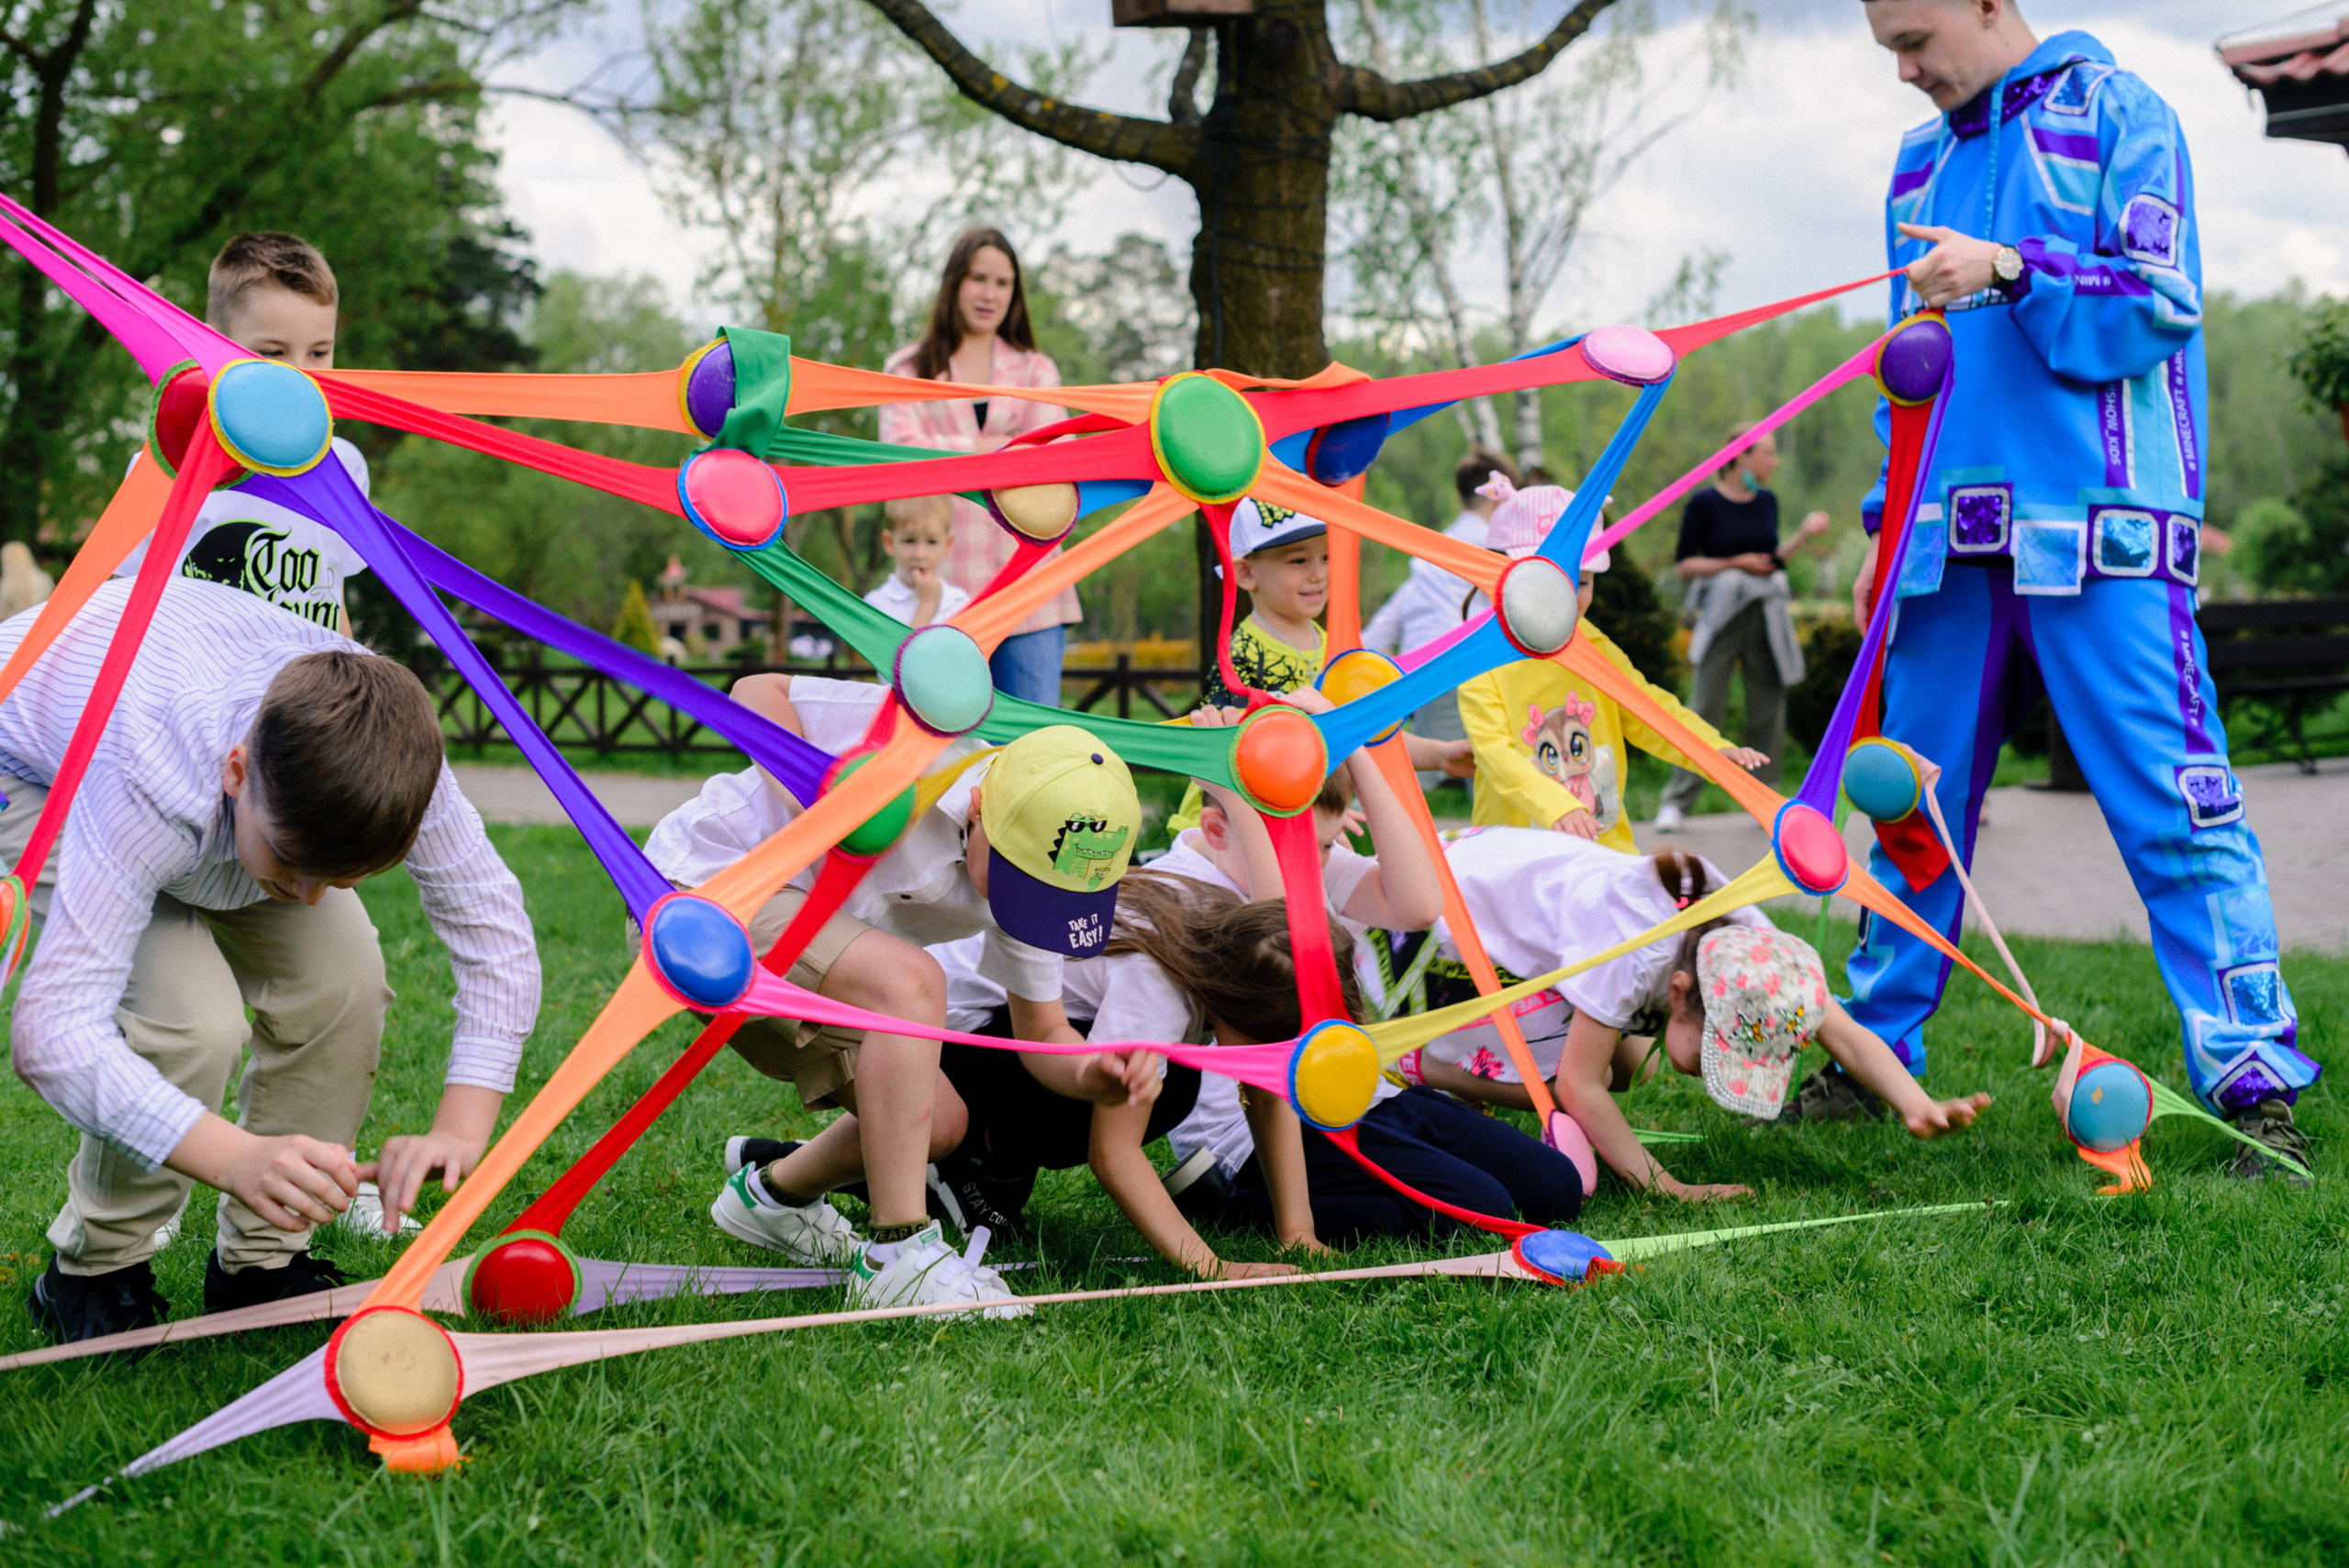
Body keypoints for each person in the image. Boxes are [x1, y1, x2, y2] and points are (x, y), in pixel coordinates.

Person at [1847, 1, 2313, 1177]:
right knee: (1910, 809)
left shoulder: (2123, 112)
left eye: (1914, 39)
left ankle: (2251, 1077)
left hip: (2101, 528)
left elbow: (2160, 301)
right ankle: (1870, 1063)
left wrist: (2007, 267)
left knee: (2174, 798)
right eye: (1886, 48)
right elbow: (1905, 361)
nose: (1903, 72)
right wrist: (1880, 520)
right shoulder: (1917, 159)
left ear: (1990, 2)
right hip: (1943, 535)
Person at [10, 580, 540, 1343]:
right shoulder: (150, 771)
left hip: (216, 797)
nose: (309, 896)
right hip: (36, 773)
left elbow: (494, 929)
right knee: (188, 1021)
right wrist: (234, 1157)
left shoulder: (389, 755)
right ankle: (95, 1271)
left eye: (344, 877)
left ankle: (260, 1268)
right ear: (237, 770)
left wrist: (459, 1132)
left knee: (345, 978)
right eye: (296, 865)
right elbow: (52, 1036)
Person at [643, 673, 1141, 1312]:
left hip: (801, 943)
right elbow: (757, 687)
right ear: (982, 805)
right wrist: (809, 800)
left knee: (938, 1123)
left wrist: (1093, 1070)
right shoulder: (922, 741)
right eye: (1023, 878)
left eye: (1054, 894)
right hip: (704, 891)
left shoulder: (1040, 884)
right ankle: (899, 1254)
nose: (1031, 905)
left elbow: (1044, 1032)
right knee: (912, 981)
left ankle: (770, 1199)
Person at [1152, 712, 1586, 1240]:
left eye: (1328, 845)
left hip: (1357, 1094)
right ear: (1219, 828)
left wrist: (1353, 744)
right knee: (1476, 1211)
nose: (1315, 864)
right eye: (1301, 846)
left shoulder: (1305, 858)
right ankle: (1230, 1203)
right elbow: (1281, 932)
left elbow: (1420, 905)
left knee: (1554, 1188)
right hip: (1254, 1140)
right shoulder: (1179, 894)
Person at [1398, 829, 1990, 1201]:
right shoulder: (1630, 953)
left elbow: (1848, 1036)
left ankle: (1468, 1055)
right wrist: (1668, 1186)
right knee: (1583, 1079)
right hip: (1438, 914)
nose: (1717, 1073)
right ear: (1678, 992)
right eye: (1721, 1049)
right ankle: (1427, 1064)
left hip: (1488, 880)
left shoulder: (1756, 952)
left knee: (1635, 1069)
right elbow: (1580, 1087)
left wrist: (1917, 1102)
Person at [914, 878, 1330, 1280]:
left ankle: (978, 1157)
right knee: (1160, 1087)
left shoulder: (1231, 942)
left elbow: (1265, 1093)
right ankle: (978, 1157)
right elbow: (1114, 1152)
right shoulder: (1159, 988)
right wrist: (1209, 1267)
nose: (1282, 1060)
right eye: (1279, 1044)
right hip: (944, 1036)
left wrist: (1298, 1234)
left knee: (1169, 1082)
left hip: (1001, 1025)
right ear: (1241, 1007)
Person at [1456, 475, 1766, 853]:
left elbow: (1648, 709)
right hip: (1517, 860)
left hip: (1602, 852)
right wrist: (1557, 806)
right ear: (1502, 574)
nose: (1568, 595)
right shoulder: (1480, 660)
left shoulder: (1595, 647)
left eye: (1583, 581)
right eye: (1552, 580)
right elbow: (1494, 754)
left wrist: (1710, 751)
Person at [116, 233, 370, 636]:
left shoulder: (344, 466)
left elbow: (334, 598)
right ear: (211, 343)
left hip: (305, 697)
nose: (301, 373)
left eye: (319, 352)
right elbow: (126, 607)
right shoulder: (163, 468)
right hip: (199, 694)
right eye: (273, 352)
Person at [1169, 498, 1470, 835]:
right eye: (1298, 561)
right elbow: (1239, 755)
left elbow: (1366, 734)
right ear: (1246, 572)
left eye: (1326, 557)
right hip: (1225, 829)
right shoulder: (1242, 658)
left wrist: (1443, 754)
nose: (1318, 574)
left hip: (1303, 821)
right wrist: (1322, 810)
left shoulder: (1335, 652)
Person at [879, 228, 1074, 705]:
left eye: (1003, 283)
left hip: (1029, 591)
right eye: (978, 278)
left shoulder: (1036, 371)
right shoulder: (907, 370)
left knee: (1033, 745)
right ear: (954, 283)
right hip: (939, 592)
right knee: (946, 744)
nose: (990, 294)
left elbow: (1055, 461)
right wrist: (1002, 448)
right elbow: (903, 456)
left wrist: (956, 453)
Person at [1653, 424, 1832, 831]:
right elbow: (1685, 565)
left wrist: (1802, 535)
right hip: (1721, 615)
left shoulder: (1767, 501)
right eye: (1767, 453)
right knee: (1704, 706)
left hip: (1764, 613)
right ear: (1739, 457)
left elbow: (1770, 560)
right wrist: (1735, 564)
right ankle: (1677, 802)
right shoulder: (1704, 504)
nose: (1774, 460)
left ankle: (1764, 799)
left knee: (1768, 707)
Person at [1364, 449, 1521, 791]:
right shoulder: (1497, 548)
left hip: (1423, 667)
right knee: (1443, 767)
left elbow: (1394, 611)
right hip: (1461, 666)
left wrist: (1356, 660)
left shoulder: (1436, 549)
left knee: (1460, 760)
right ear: (1499, 502)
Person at [863, 494, 970, 629]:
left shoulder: (958, 602)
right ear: (889, 543)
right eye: (909, 541)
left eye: (932, 542)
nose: (920, 554)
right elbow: (899, 651)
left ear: (948, 544)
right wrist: (926, 606)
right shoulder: (876, 605)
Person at [0, 540, 52, 621]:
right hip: (42, 623)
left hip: (17, 627)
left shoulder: (5, 586)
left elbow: (2, 615)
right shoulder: (44, 579)